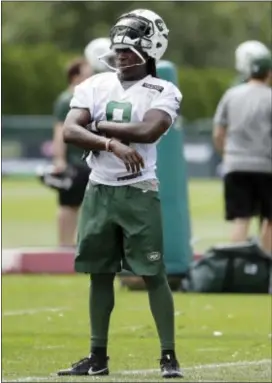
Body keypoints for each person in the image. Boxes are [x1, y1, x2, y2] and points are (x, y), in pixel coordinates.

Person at [57, 9, 183, 379]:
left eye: (131, 50)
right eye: (120, 49)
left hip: (139, 191)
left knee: (152, 272)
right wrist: (111, 142)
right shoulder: (94, 84)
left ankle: (168, 356)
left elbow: (147, 131)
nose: (123, 55)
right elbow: (70, 131)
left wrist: (97, 126)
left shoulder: (164, 90)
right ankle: (97, 357)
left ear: (150, 50)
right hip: (100, 189)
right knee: (99, 273)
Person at [213, 55, 272, 255]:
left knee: (241, 219)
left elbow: (219, 132)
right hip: (266, 167)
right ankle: (265, 270)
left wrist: (227, 155)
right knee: (269, 220)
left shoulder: (231, 95)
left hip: (235, 164)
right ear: (269, 73)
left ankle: (237, 267)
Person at [51, 57, 92, 247]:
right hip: (74, 162)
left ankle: (74, 243)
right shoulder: (67, 100)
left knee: (84, 205)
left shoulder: (84, 99)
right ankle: (64, 244)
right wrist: (59, 159)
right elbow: (60, 132)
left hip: (87, 161)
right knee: (69, 204)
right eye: (87, 74)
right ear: (75, 76)